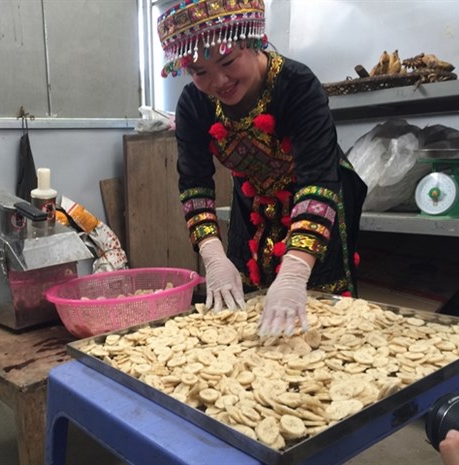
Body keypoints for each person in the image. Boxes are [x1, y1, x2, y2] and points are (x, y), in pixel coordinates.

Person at [156, 0, 367, 337]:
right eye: (200, 73)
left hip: (318, 193)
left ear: (252, 40)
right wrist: (211, 254)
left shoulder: (295, 85)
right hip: (253, 196)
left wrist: (296, 271)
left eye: (228, 61)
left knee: (321, 306)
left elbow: (318, 179)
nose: (219, 81)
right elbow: (195, 183)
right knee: (244, 293)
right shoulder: (194, 104)